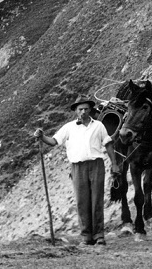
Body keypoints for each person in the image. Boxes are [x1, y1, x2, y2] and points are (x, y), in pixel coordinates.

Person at [34, 99, 120, 246]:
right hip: (77, 167)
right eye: (80, 109)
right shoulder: (69, 127)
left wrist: (114, 164)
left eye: (86, 109)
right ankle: (86, 236)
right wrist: (42, 136)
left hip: (96, 165)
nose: (83, 112)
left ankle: (99, 235)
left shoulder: (99, 126)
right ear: (76, 111)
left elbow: (108, 144)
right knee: (82, 201)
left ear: (90, 110)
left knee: (97, 200)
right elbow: (54, 141)